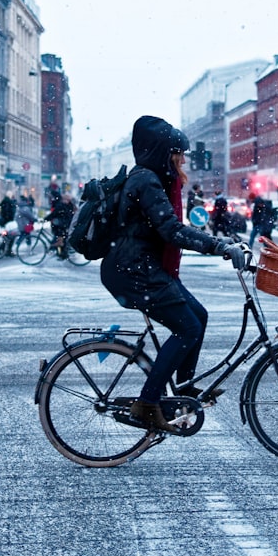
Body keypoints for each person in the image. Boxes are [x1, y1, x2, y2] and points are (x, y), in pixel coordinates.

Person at [100, 116, 244, 433]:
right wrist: (218, 245)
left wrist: (221, 243)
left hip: (141, 267)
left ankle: (184, 388)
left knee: (198, 316)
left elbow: (167, 228)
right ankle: (148, 404)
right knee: (187, 329)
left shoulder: (151, 178)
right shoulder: (146, 181)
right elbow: (171, 230)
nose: (183, 160)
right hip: (134, 271)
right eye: (178, 153)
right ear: (163, 153)